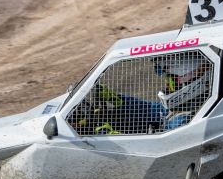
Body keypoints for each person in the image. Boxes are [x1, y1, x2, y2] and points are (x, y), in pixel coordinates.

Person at [72, 54, 210, 135]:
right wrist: (117, 99)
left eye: (172, 80)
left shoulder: (189, 121)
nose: (167, 86)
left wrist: (110, 135)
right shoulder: (180, 108)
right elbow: (150, 110)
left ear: (192, 81)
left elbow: (153, 146)